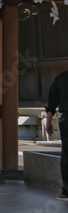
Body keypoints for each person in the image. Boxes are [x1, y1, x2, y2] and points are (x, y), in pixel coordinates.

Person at [45, 68, 68, 201]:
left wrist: (48, 122)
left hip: (66, 119)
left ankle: (66, 191)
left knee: (66, 154)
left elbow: (52, 102)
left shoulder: (62, 77)